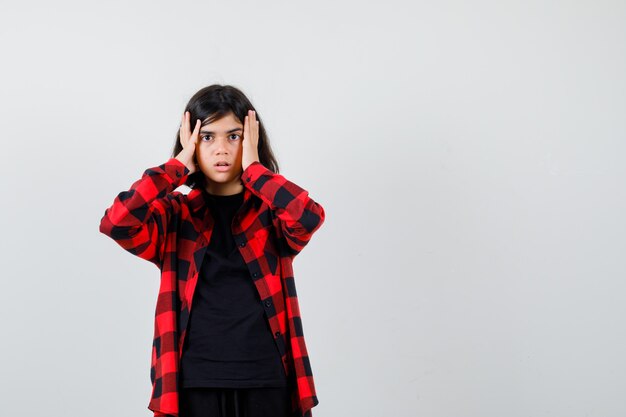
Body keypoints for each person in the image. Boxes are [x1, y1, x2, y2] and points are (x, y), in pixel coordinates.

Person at [99, 84, 326, 417]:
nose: (221, 149)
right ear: (190, 142)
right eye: (207, 137)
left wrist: (256, 173)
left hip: (266, 378)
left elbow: (308, 216)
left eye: (233, 137)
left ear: (250, 141)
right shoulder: (175, 215)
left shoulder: (269, 214)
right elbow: (117, 223)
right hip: (194, 380)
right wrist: (175, 169)